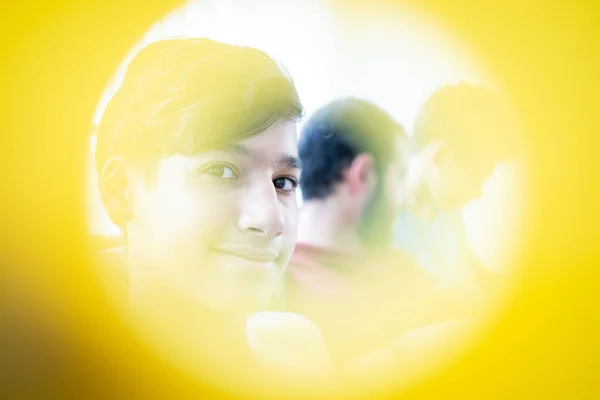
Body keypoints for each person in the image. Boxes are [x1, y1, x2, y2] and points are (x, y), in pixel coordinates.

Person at [94, 38, 331, 383]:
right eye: (221, 171)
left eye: (283, 183)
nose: (272, 221)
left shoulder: (298, 352)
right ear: (122, 191)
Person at [283, 98, 442, 366]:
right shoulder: (277, 282)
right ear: (364, 174)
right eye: (400, 175)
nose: (404, 198)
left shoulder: (400, 265)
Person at [395, 83, 522, 298]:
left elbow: (469, 274)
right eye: (478, 176)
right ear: (441, 155)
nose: (478, 193)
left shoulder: (444, 209)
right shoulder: (377, 218)